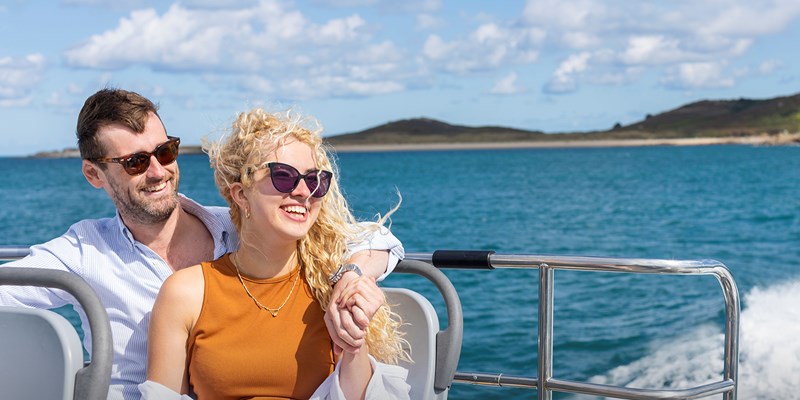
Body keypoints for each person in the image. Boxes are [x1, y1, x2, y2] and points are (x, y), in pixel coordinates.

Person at [0, 89, 404, 399]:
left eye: (165, 151)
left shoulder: (244, 227)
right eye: (135, 162)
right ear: (94, 175)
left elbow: (376, 237)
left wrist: (351, 275)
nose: (158, 171)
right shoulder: (83, 252)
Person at [141, 107, 410, 399]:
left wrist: (353, 338)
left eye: (314, 180)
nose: (303, 191)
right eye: (283, 176)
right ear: (241, 194)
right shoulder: (186, 293)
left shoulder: (330, 288)